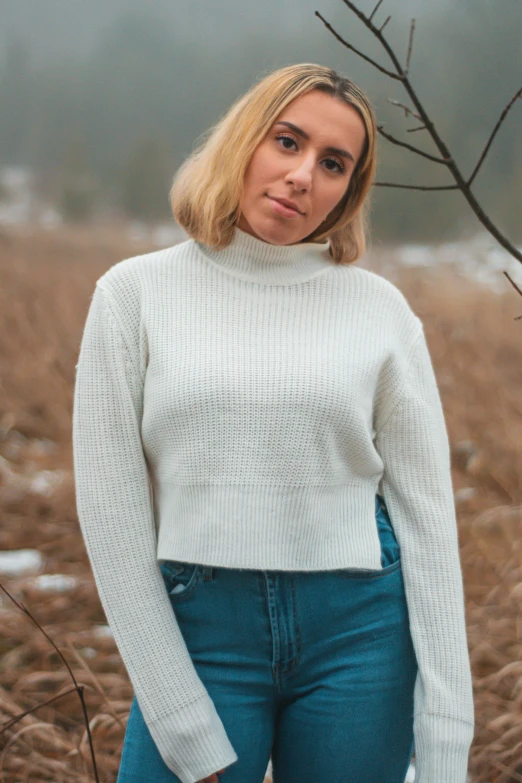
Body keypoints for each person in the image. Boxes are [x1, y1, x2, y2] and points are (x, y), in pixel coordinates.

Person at [72, 63, 475, 783]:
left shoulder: (379, 311)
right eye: (286, 142)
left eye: (332, 164)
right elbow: (111, 512)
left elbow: (428, 518)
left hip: (361, 633)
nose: (301, 176)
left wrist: (446, 741)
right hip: (201, 629)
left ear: (348, 191)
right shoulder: (134, 294)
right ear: (244, 141)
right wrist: (176, 713)